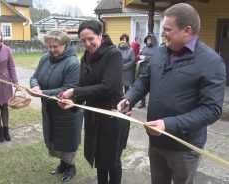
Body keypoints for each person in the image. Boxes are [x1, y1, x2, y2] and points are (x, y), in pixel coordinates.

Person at [117, 3, 226, 184]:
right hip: (156, 141)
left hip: (185, 146)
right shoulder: (160, 53)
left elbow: (211, 110)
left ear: (187, 31)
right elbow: (144, 80)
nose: (162, 33)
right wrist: (129, 98)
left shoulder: (212, 62)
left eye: (168, 29)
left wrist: (167, 124)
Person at [58, 20, 130, 184]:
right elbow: (83, 85)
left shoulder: (114, 54)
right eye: (83, 41)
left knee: (112, 160)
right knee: (99, 158)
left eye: (91, 38)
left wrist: (75, 92)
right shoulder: (85, 57)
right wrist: (73, 101)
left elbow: (108, 87)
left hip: (112, 117)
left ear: (100, 35)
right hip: (93, 116)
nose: (87, 44)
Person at [28, 30, 83, 182]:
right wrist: (35, 86)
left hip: (67, 110)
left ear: (65, 44)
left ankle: (71, 167)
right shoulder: (45, 58)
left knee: (67, 140)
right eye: (49, 46)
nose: (51, 50)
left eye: (55, 46)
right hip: (50, 108)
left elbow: (68, 89)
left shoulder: (72, 63)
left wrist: (42, 93)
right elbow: (34, 77)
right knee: (55, 139)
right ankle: (62, 164)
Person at [0, 29, 19, 142]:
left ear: (1, 36)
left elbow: (11, 67)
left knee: (5, 106)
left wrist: (15, 81)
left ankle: (6, 129)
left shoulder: (7, 50)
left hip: (5, 82)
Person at [137, 34, 157, 108]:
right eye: (148, 39)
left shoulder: (156, 49)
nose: (148, 40)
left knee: (152, 88)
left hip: (151, 70)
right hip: (142, 68)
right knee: (143, 86)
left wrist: (145, 58)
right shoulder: (144, 47)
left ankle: (152, 104)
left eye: (150, 39)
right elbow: (140, 54)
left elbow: (155, 58)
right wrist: (139, 56)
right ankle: (142, 103)